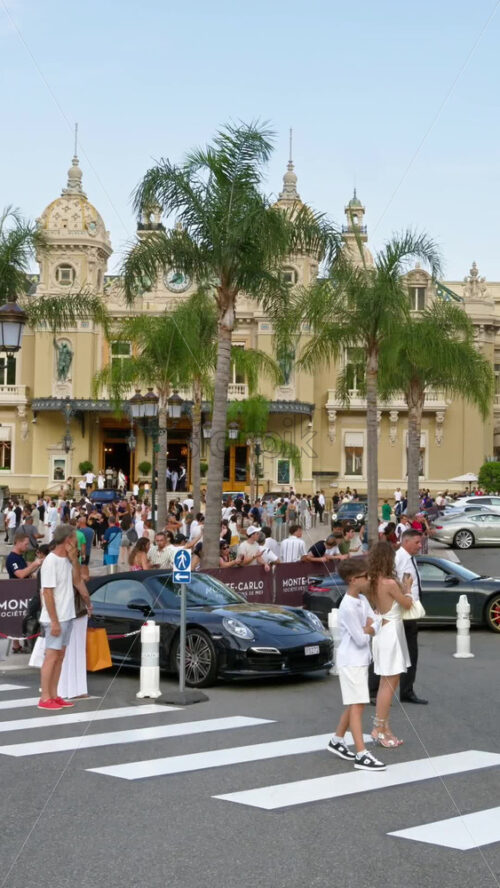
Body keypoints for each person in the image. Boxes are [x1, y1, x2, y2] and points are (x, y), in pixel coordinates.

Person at [327, 557, 385, 772]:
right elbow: (361, 638)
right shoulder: (348, 606)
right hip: (351, 660)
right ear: (353, 580)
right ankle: (361, 753)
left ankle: (337, 740)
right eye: (365, 576)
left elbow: (376, 620)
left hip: (360, 659)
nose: (369, 579)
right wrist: (370, 628)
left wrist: (370, 626)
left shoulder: (362, 599)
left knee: (354, 703)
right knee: (358, 705)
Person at [38, 524, 92, 710]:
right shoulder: (51, 561)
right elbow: (47, 593)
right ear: (68, 539)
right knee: (51, 656)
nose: (78, 541)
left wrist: (75, 560)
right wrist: (54, 621)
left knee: (60, 656)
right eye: (75, 538)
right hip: (56, 617)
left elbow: (77, 580)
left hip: (67, 615)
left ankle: (54, 694)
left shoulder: (68, 560)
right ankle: (45, 697)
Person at [368, 542, 413, 747]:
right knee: (388, 684)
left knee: (387, 683)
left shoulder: (372, 582)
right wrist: (408, 589)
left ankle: (385, 727)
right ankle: (378, 728)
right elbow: (407, 604)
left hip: (383, 632)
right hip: (392, 633)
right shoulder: (389, 583)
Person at [395, 529, 428, 704]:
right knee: (391, 651)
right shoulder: (398, 558)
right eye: (417, 542)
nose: (420, 545)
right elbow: (391, 583)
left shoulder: (410, 558)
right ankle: (373, 690)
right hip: (401, 612)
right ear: (406, 542)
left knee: (411, 653)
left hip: (410, 612)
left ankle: (407, 691)